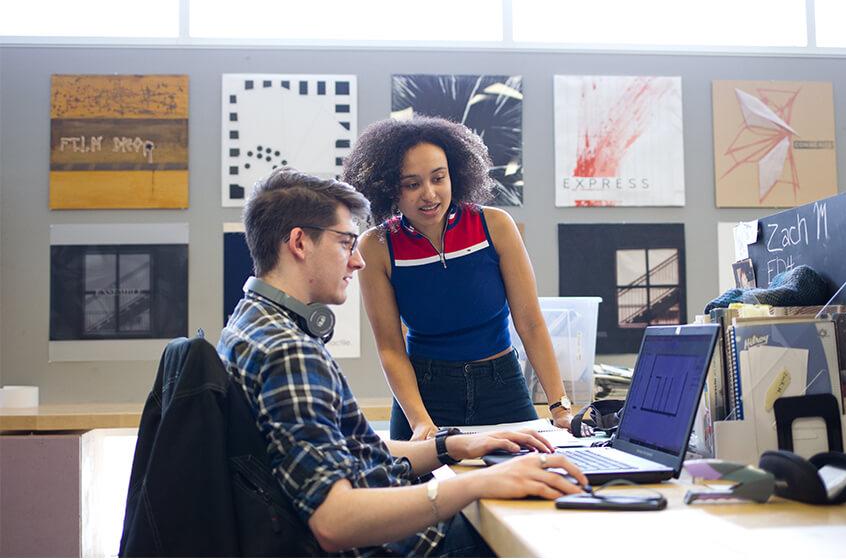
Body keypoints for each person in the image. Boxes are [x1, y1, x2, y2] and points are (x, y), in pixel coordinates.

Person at [217, 168, 588, 556]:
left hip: (396, 527)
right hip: (405, 548)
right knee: (548, 530)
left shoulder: (248, 324)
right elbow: (334, 520)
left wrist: (455, 445)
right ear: (299, 243)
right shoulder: (289, 354)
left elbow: (345, 449)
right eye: (346, 243)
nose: (357, 261)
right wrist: (477, 484)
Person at [342, 116, 579, 441]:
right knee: (418, 489)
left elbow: (531, 323)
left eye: (439, 178)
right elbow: (391, 348)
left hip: (502, 385)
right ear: (388, 188)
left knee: (532, 479)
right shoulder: (377, 245)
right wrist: (421, 422)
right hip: (423, 394)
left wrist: (560, 406)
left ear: (455, 174)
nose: (429, 194)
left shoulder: (495, 226)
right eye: (412, 184)